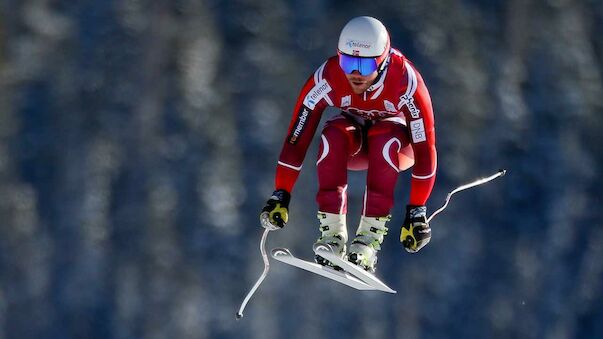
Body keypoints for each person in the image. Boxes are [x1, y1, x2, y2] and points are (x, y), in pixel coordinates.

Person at [260, 16, 437, 273]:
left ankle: (368, 241)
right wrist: (281, 192)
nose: (354, 73)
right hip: (357, 143)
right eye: (347, 61)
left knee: (385, 137)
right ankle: (332, 236)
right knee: (332, 135)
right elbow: (297, 136)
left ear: (383, 61)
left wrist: (417, 209)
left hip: (398, 147)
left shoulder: (406, 83)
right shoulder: (329, 77)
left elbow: (426, 149)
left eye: (364, 66)